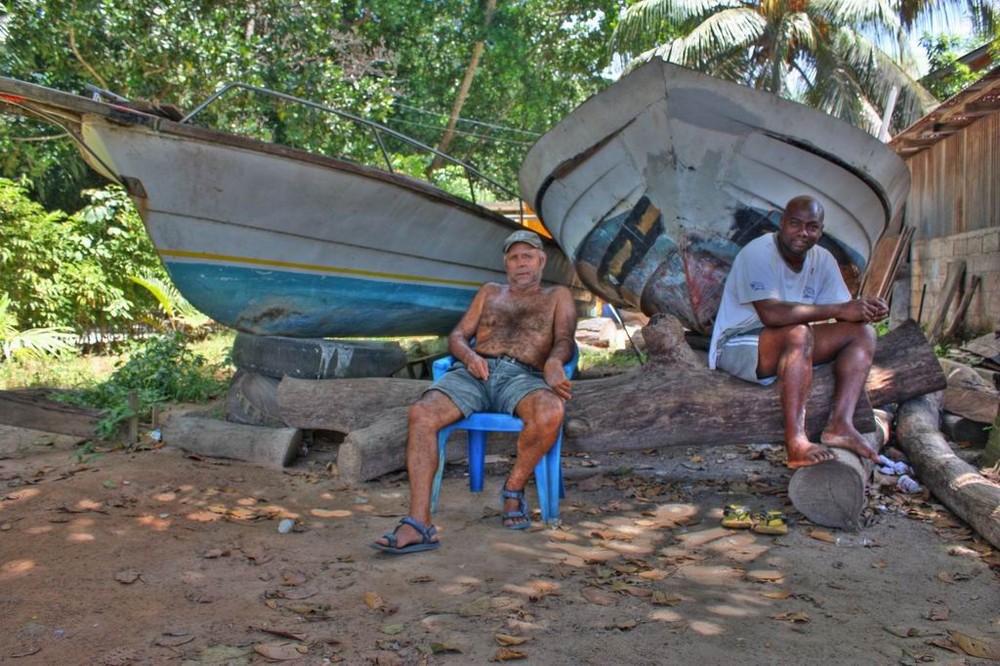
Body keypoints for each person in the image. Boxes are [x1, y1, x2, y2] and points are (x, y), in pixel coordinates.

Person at [370, 229, 578, 554]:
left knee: (550, 411)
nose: (521, 263)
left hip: (522, 376)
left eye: (527, 256)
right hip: (473, 373)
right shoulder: (490, 292)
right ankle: (419, 523)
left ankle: (513, 489)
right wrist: (468, 356)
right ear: (506, 264)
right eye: (513, 257)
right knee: (421, 414)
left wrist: (554, 361)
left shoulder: (557, 296)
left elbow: (565, 338)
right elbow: (457, 336)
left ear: (541, 260)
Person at [708, 195, 887, 469]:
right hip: (736, 344)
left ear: (820, 231)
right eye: (795, 224)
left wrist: (865, 310)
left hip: (788, 342)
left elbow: (844, 313)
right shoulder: (758, 253)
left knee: (863, 334)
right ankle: (796, 443)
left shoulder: (822, 260)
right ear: (781, 223)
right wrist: (842, 309)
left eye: (812, 227)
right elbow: (772, 314)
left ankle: (841, 424)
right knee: (798, 333)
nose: (803, 232)